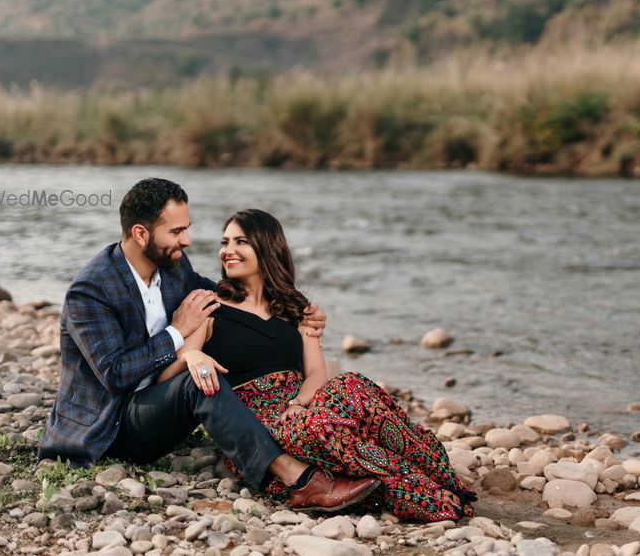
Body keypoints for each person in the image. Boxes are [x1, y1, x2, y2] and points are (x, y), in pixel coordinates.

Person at [39, 178, 380, 511]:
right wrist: (178, 335)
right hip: (108, 428)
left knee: (199, 371)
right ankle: (301, 481)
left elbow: (231, 301)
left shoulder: (172, 266)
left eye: (186, 228)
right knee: (199, 378)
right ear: (141, 234)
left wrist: (298, 310)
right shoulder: (92, 290)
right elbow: (116, 375)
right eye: (176, 231)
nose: (186, 240)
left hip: (161, 410)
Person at [157, 209, 476, 521]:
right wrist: (189, 356)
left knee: (352, 385)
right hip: (259, 422)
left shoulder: (296, 309)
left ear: (267, 247)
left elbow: (316, 373)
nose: (228, 251)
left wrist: (299, 402)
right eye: (224, 242)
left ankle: (434, 472)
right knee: (324, 426)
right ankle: (416, 491)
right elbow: (167, 379)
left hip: (302, 402)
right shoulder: (210, 307)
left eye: (240, 242)